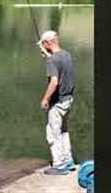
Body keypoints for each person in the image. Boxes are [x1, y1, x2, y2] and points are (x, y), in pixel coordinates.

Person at [38, 30, 76, 175]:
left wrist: (45, 99)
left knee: (53, 133)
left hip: (57, 102)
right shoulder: (66, 55)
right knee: (64, 131)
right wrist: (48, 55)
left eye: (43, 43)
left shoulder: (52, 61)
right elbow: (60, 65)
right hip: (68, 100)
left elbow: (54, 82)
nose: (43, 45)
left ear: (48, 43)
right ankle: (68, 160)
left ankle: (59, 165)